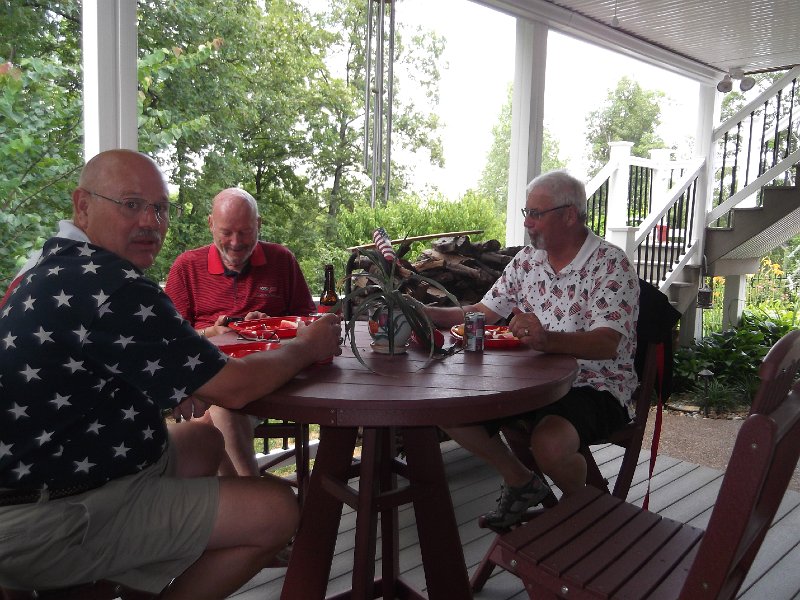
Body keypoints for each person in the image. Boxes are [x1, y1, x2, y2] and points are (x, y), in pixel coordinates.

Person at [0, 149, 342, 598]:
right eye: (131, 204)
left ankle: (138, 572)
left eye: (159, 207)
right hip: (49, 516)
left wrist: (175, 383)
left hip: (61, 473)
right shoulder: (113, 285)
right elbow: (237, 391)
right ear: (82, 205)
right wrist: (306, 347)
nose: (150, 221)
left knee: (202, 439)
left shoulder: (45, 267)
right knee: (276, 509)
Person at [426, 170, 639, 528]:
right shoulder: (528, 260)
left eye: (535, 214)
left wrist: (547, 340)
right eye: (527, 212)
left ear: (569, 214)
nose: (527, 222)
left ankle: (588, 520)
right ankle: (520, 479)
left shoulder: (610, 264)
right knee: (445, 405)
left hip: (594, 383)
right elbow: (481, 313)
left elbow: (606, 344)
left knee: (550, 445)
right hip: (523, 381)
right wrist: (425, 312)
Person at [165, 187, 316, 476]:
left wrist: (271, 323)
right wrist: (211, 333)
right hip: (210, 381)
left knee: (208, 424)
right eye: (226, 232)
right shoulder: (186, 266)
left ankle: (246, 503)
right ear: (210, 224)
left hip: (269, 379)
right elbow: (170, 340)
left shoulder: (282, 260)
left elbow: (307, 321)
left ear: (258, 225)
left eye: (246, 232)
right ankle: (254, 497)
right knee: (222, 406)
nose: (236, 243)